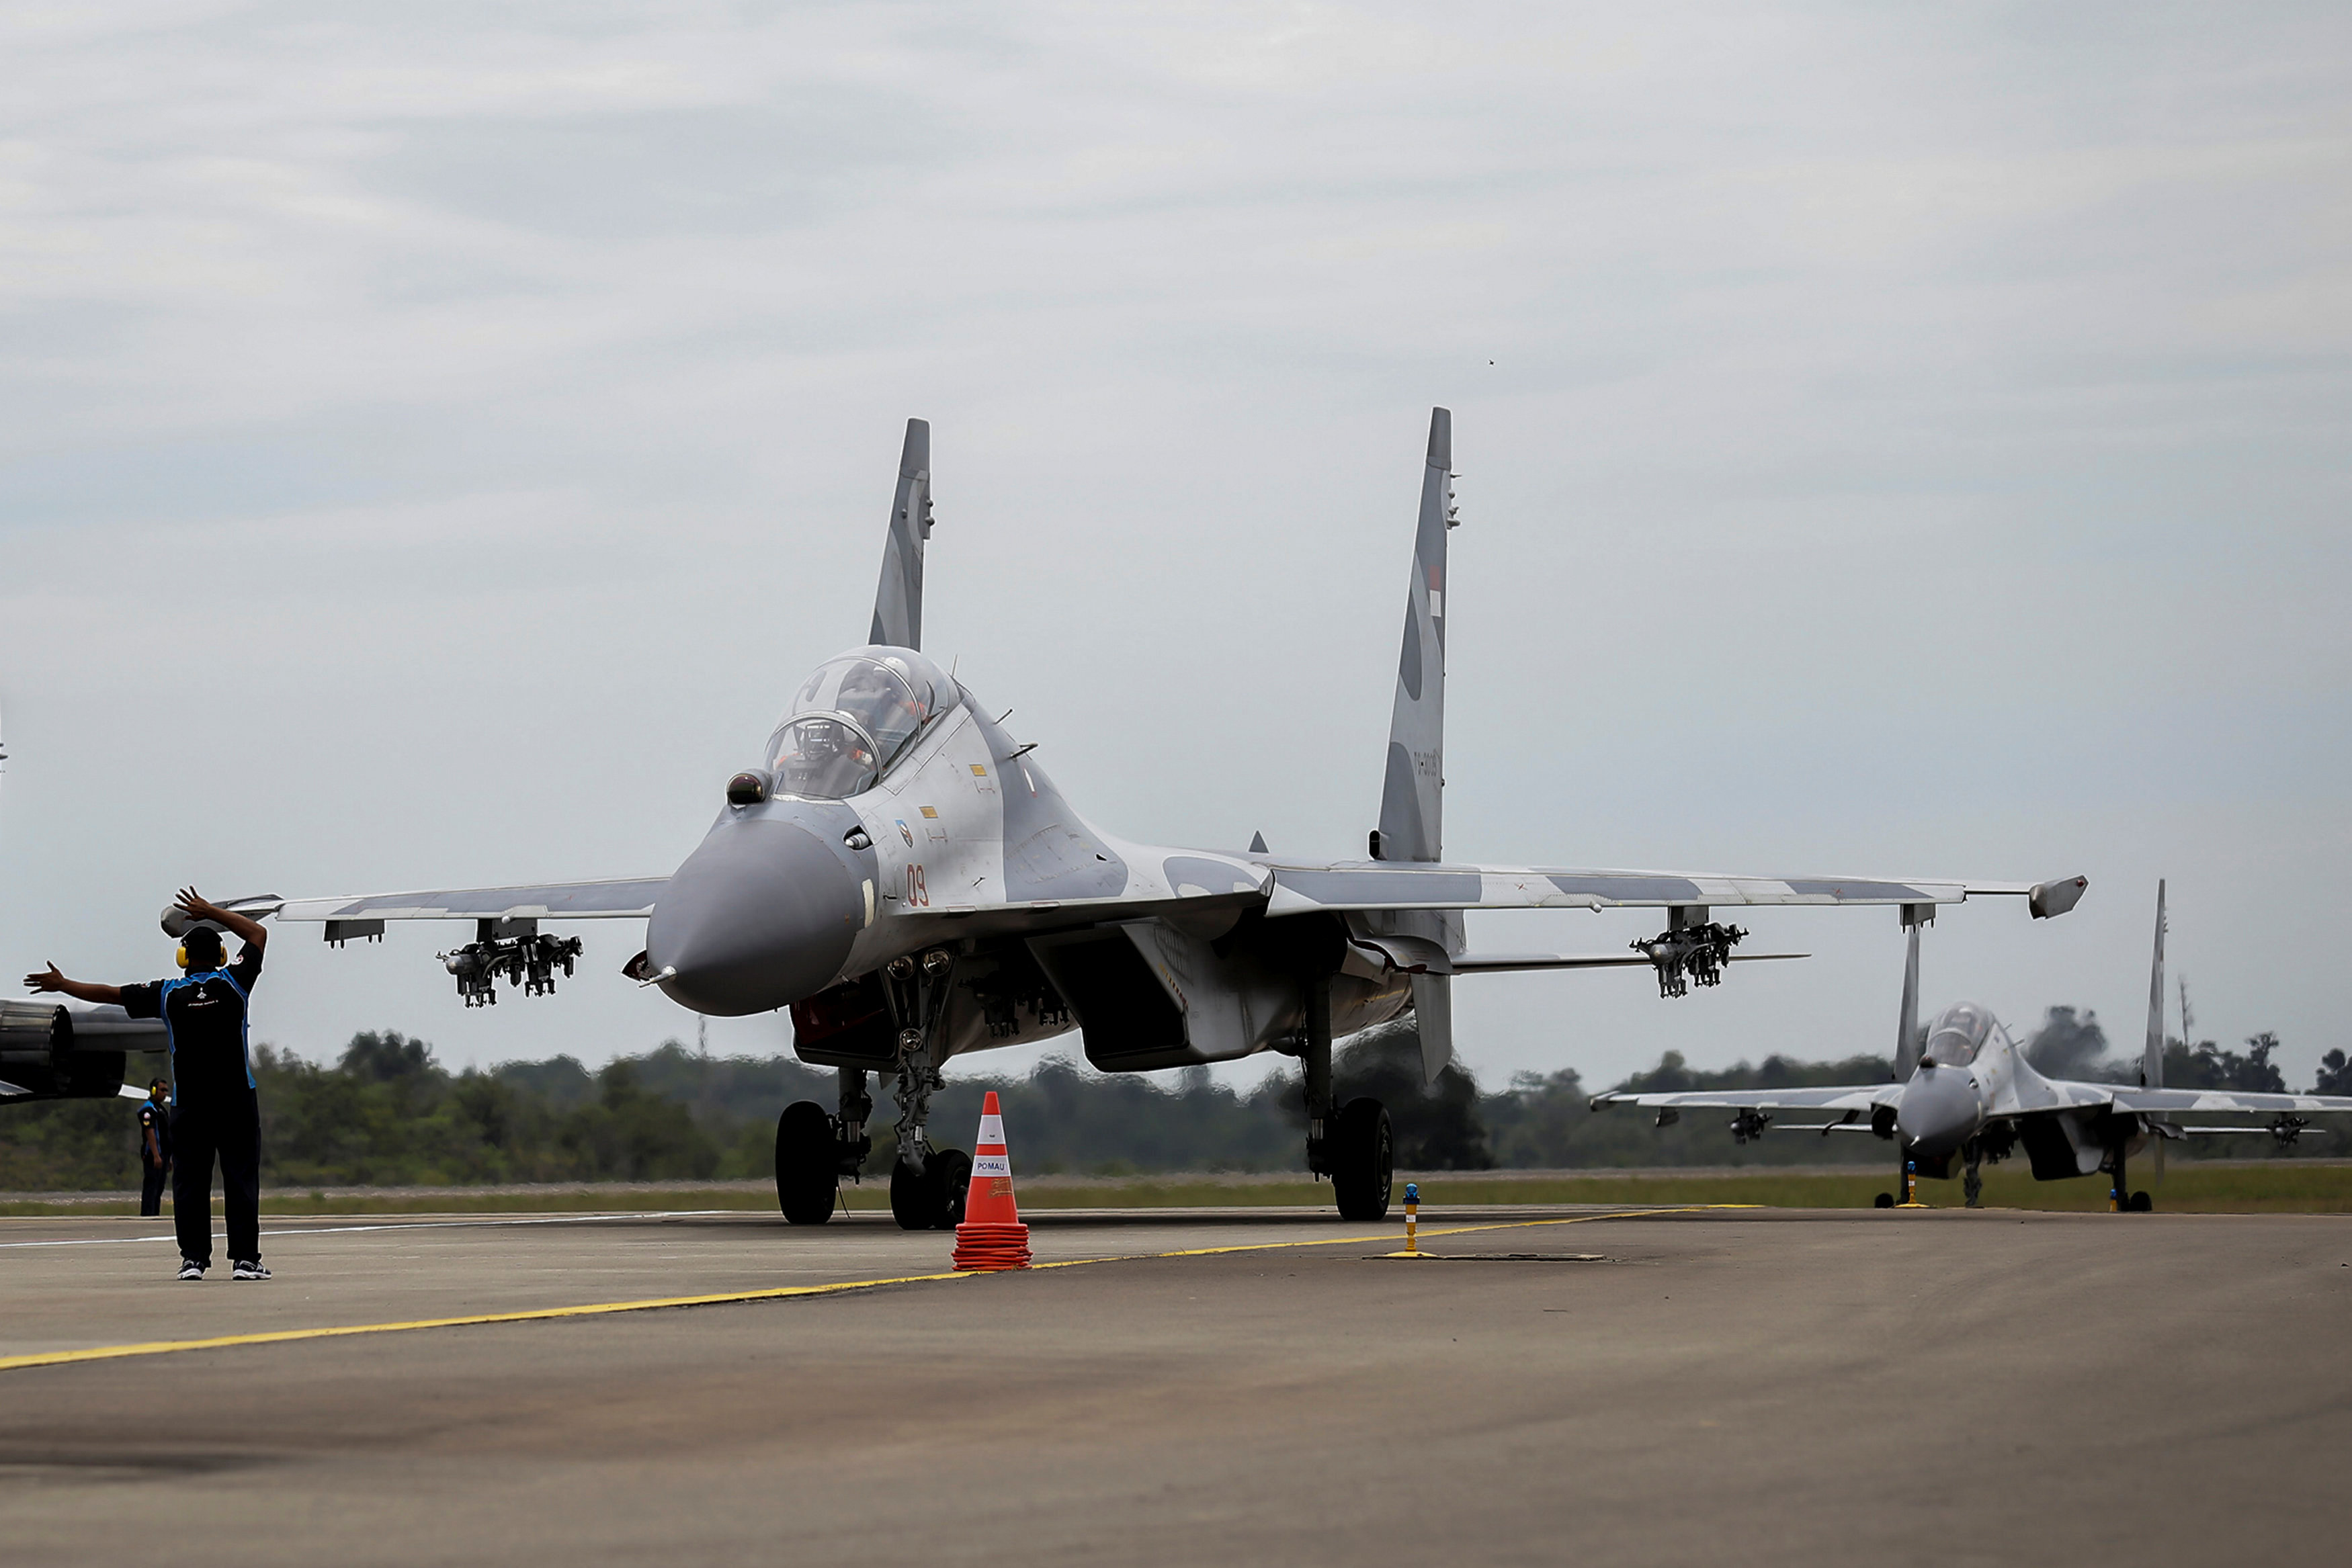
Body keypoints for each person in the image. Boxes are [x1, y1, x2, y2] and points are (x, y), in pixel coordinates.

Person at [25, 887, 271, 1281]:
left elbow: (111, 995)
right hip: (236, 1100)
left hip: (189, 1103)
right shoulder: (236, 984)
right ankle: (245, 1260)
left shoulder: (168, 993)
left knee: (190, 1182)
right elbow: (257, 935)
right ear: (223, 956)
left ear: (184, 958)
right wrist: (210, 912)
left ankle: (193, 1260)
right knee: (241, 1178)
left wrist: (64, 984)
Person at [136, 1077, 172, 1218]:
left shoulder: (161, 1109)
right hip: (153, 1154)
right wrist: (156, 1155)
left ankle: (155, 1214)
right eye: (162, 1090)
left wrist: (168, 1157)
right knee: (151, 1185)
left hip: (163, 1154)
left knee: (159, 1187)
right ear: (154, 1090)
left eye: (166, 1091)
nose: (165, 1093)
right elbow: (150, 1132)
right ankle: (147, 1214)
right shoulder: (148, 1110)